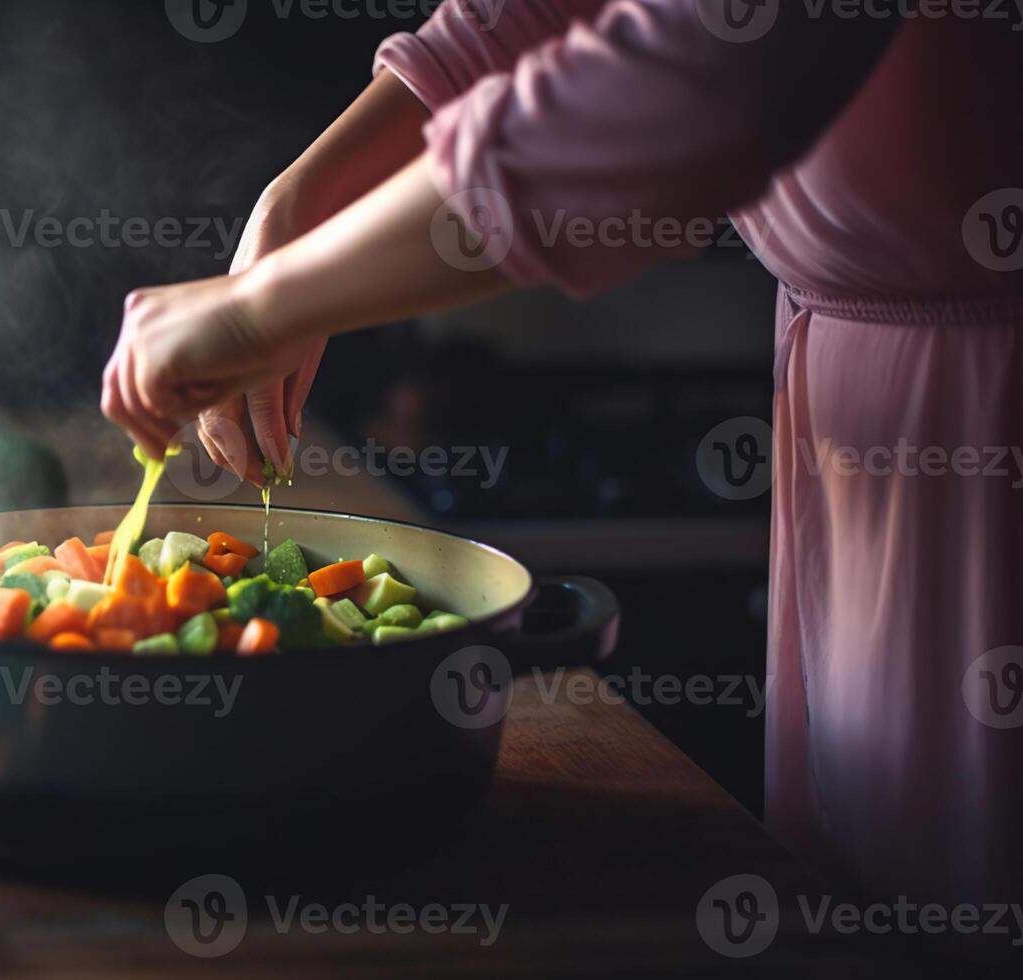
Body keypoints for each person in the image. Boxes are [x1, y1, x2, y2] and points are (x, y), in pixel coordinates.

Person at [102, 0, 1023, 923]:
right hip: (852, 423)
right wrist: (300, 198)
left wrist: (265, 305)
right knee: (870, 888)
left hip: (990, 426)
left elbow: (699, 77)